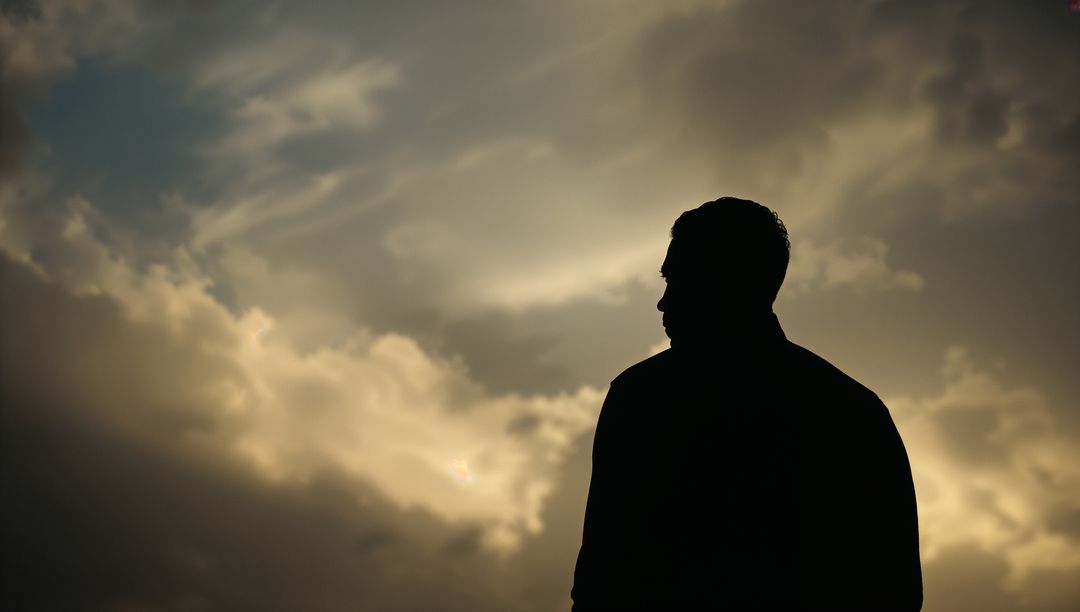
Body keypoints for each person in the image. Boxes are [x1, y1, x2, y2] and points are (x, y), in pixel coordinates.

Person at [570, 197, 923, 611]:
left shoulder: (639, 398)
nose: (663, 302)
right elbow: (897, 590)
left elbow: (600, 581)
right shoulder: (854, 410)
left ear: (722, 282)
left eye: (678, 279)